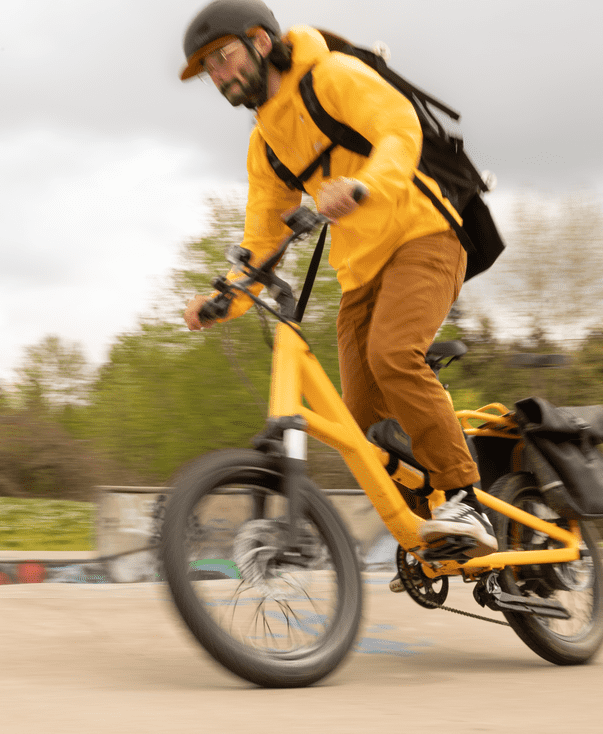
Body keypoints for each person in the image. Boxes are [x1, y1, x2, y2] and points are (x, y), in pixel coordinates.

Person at [178, 0, 496, 558]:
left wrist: (364, 186)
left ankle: (465, 496)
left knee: (394, 354)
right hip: (361, 272)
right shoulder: (265, 142)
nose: (218, 76)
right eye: (208, 69)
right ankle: (430, 532)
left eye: (223, 58)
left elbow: (398, 130)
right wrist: (222, 300)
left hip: (425, 236)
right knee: (363, 423)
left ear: (259, 42)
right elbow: (261, 240)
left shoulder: (332, 76)